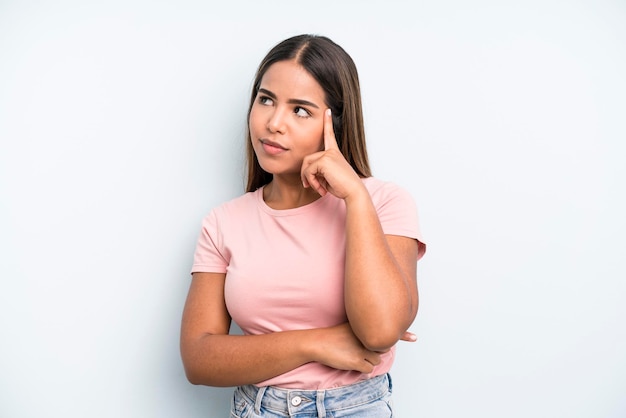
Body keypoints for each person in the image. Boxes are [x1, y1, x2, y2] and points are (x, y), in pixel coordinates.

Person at [180, 34, 426, 417]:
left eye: (300, 110)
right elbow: (198, 358)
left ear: (336, 126)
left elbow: (378, 332)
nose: (274, 123)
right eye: (266, 100)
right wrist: (316, 343)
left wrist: (355, 199)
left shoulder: (384, 202)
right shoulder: (223, 222)